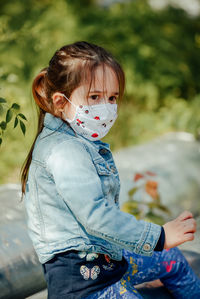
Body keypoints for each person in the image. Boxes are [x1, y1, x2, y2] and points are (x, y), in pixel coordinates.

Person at [21, 41, 200, 299]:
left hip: (110, 262)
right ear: (61, 101)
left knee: (172, 259)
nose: (105, 107)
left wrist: (161, 242)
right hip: (86, 285)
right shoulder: (63, 152)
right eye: (94, 97)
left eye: (112, 97)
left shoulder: (80, 141)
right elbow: (97, 217)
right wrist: (159, 236)